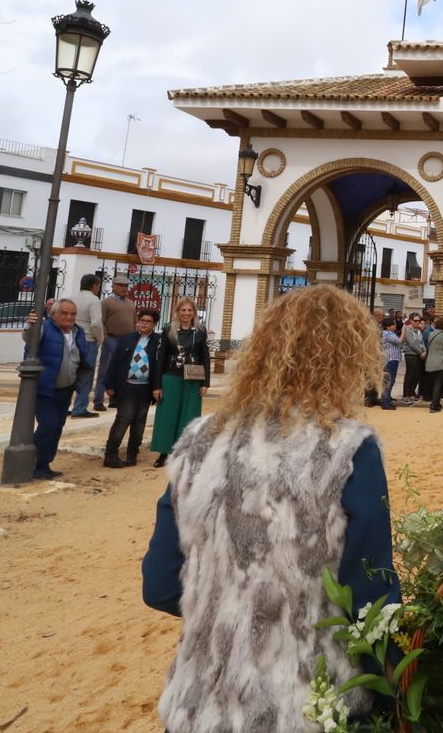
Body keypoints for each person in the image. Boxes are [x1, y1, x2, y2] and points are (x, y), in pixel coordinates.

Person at [142, 284, 399, 733]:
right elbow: (370, 595)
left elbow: (160, 585)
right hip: (309, 703)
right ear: (350, 360)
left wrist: (234, 610)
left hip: (202, 703)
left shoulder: (198, 443)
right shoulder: (348, 452)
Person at [27, 298, 95, 480]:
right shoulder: (45, 328)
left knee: (57, 426)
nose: (69, 317)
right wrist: (31, 326)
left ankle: (45, 463)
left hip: (66, 388)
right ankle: (30, 463)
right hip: (45, 388)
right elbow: (30, 337)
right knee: (48, 426)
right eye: (64, 313)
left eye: (72, 314)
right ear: (54, 314)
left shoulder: (78, 331)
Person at [148, 298, 210, 468]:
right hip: (171, 377)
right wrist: (157, 385)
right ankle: (163, 453)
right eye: (183, 310)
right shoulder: (169, 329)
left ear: (194, 313)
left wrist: (206, 383)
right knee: (167, 416)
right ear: (177, 312)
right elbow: (160, 358)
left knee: (189, 416)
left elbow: (205, 356)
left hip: (193, 378)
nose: (186, 314)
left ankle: (184, 453)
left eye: (190, 310)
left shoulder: (200, 330)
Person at [103, 309, 162, 468]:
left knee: (139, 422)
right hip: (127, 387)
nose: (144, 323)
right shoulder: (126, 339)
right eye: (142, 320)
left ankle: (132, 454)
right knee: (123, 419)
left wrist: (158, 387)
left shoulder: (159, 341)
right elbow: (114, 361)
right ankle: (111, 454)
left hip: (146, 388)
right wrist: (109, 384)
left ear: (154, 325)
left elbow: (160, 366)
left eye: (148, 321)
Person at [65, 274, 106, 419]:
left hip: (71, 339)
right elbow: (96, 323)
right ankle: (80, 408)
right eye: (98, 286)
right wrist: (101, 339)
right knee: (86, 374)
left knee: (69, 373)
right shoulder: (94, 300)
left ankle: (64, 407)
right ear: (94, 286)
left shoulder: (71, 298)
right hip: (88, 340)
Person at [97, 275, 137, 410]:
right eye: (120, 285)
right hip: (112, 338)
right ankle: (98, 400)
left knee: (123, 371)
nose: (123, 288)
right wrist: (104, 339)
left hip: (127, 340)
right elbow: (101, 321)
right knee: (105, 370)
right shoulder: (106, 302)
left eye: (125, 286)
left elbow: (134, 322)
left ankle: (115, 399)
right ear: (113, 286)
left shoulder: (131, 303)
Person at [423, 315, 443, 412]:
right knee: (438, 383)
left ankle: (436, 403)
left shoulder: (431, 334)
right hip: (441, 362)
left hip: (430, 362)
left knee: (434, 383)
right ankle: (434, 405)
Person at [400, 313, 425, 403]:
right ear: (410, 320)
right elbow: (412, 343)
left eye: (419, 320)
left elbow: (421, 342)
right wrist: (421, 352)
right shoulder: (408, 330)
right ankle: (406, 395)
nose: (417, 322)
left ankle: (411, 393)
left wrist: (424, 351)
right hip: (411, 354)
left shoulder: (418, 331)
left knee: (416, 375)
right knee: (410, 375)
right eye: (415, 320)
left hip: (418, 355)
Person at [378, 316, 401, 410]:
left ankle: (385, 398)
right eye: (393, 324)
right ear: (388, 326)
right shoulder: (388, 333)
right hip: (391, 359)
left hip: (389, 358)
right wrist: (403, 331)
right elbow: (399, 341)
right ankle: (385, 401)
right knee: (389, 380)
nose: (395, 326)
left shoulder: (385, 333)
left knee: (387, 380)